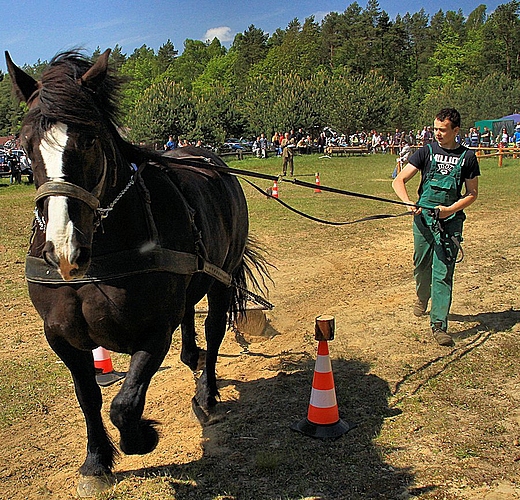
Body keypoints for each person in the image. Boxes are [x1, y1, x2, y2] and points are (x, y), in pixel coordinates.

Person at [392, 108, 480, 347]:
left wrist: (450, 210)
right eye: (435, 129)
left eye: (442, 130)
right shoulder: (426, 152)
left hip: (450, 223)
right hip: (423, 219)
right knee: (421, 264)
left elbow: (472, 194)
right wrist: (409, 202)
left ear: (456, 130)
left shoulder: (468, 157)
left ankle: (439, 324)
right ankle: (422, 297)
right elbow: (398, 180)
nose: (437, 134)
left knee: (443, 272)